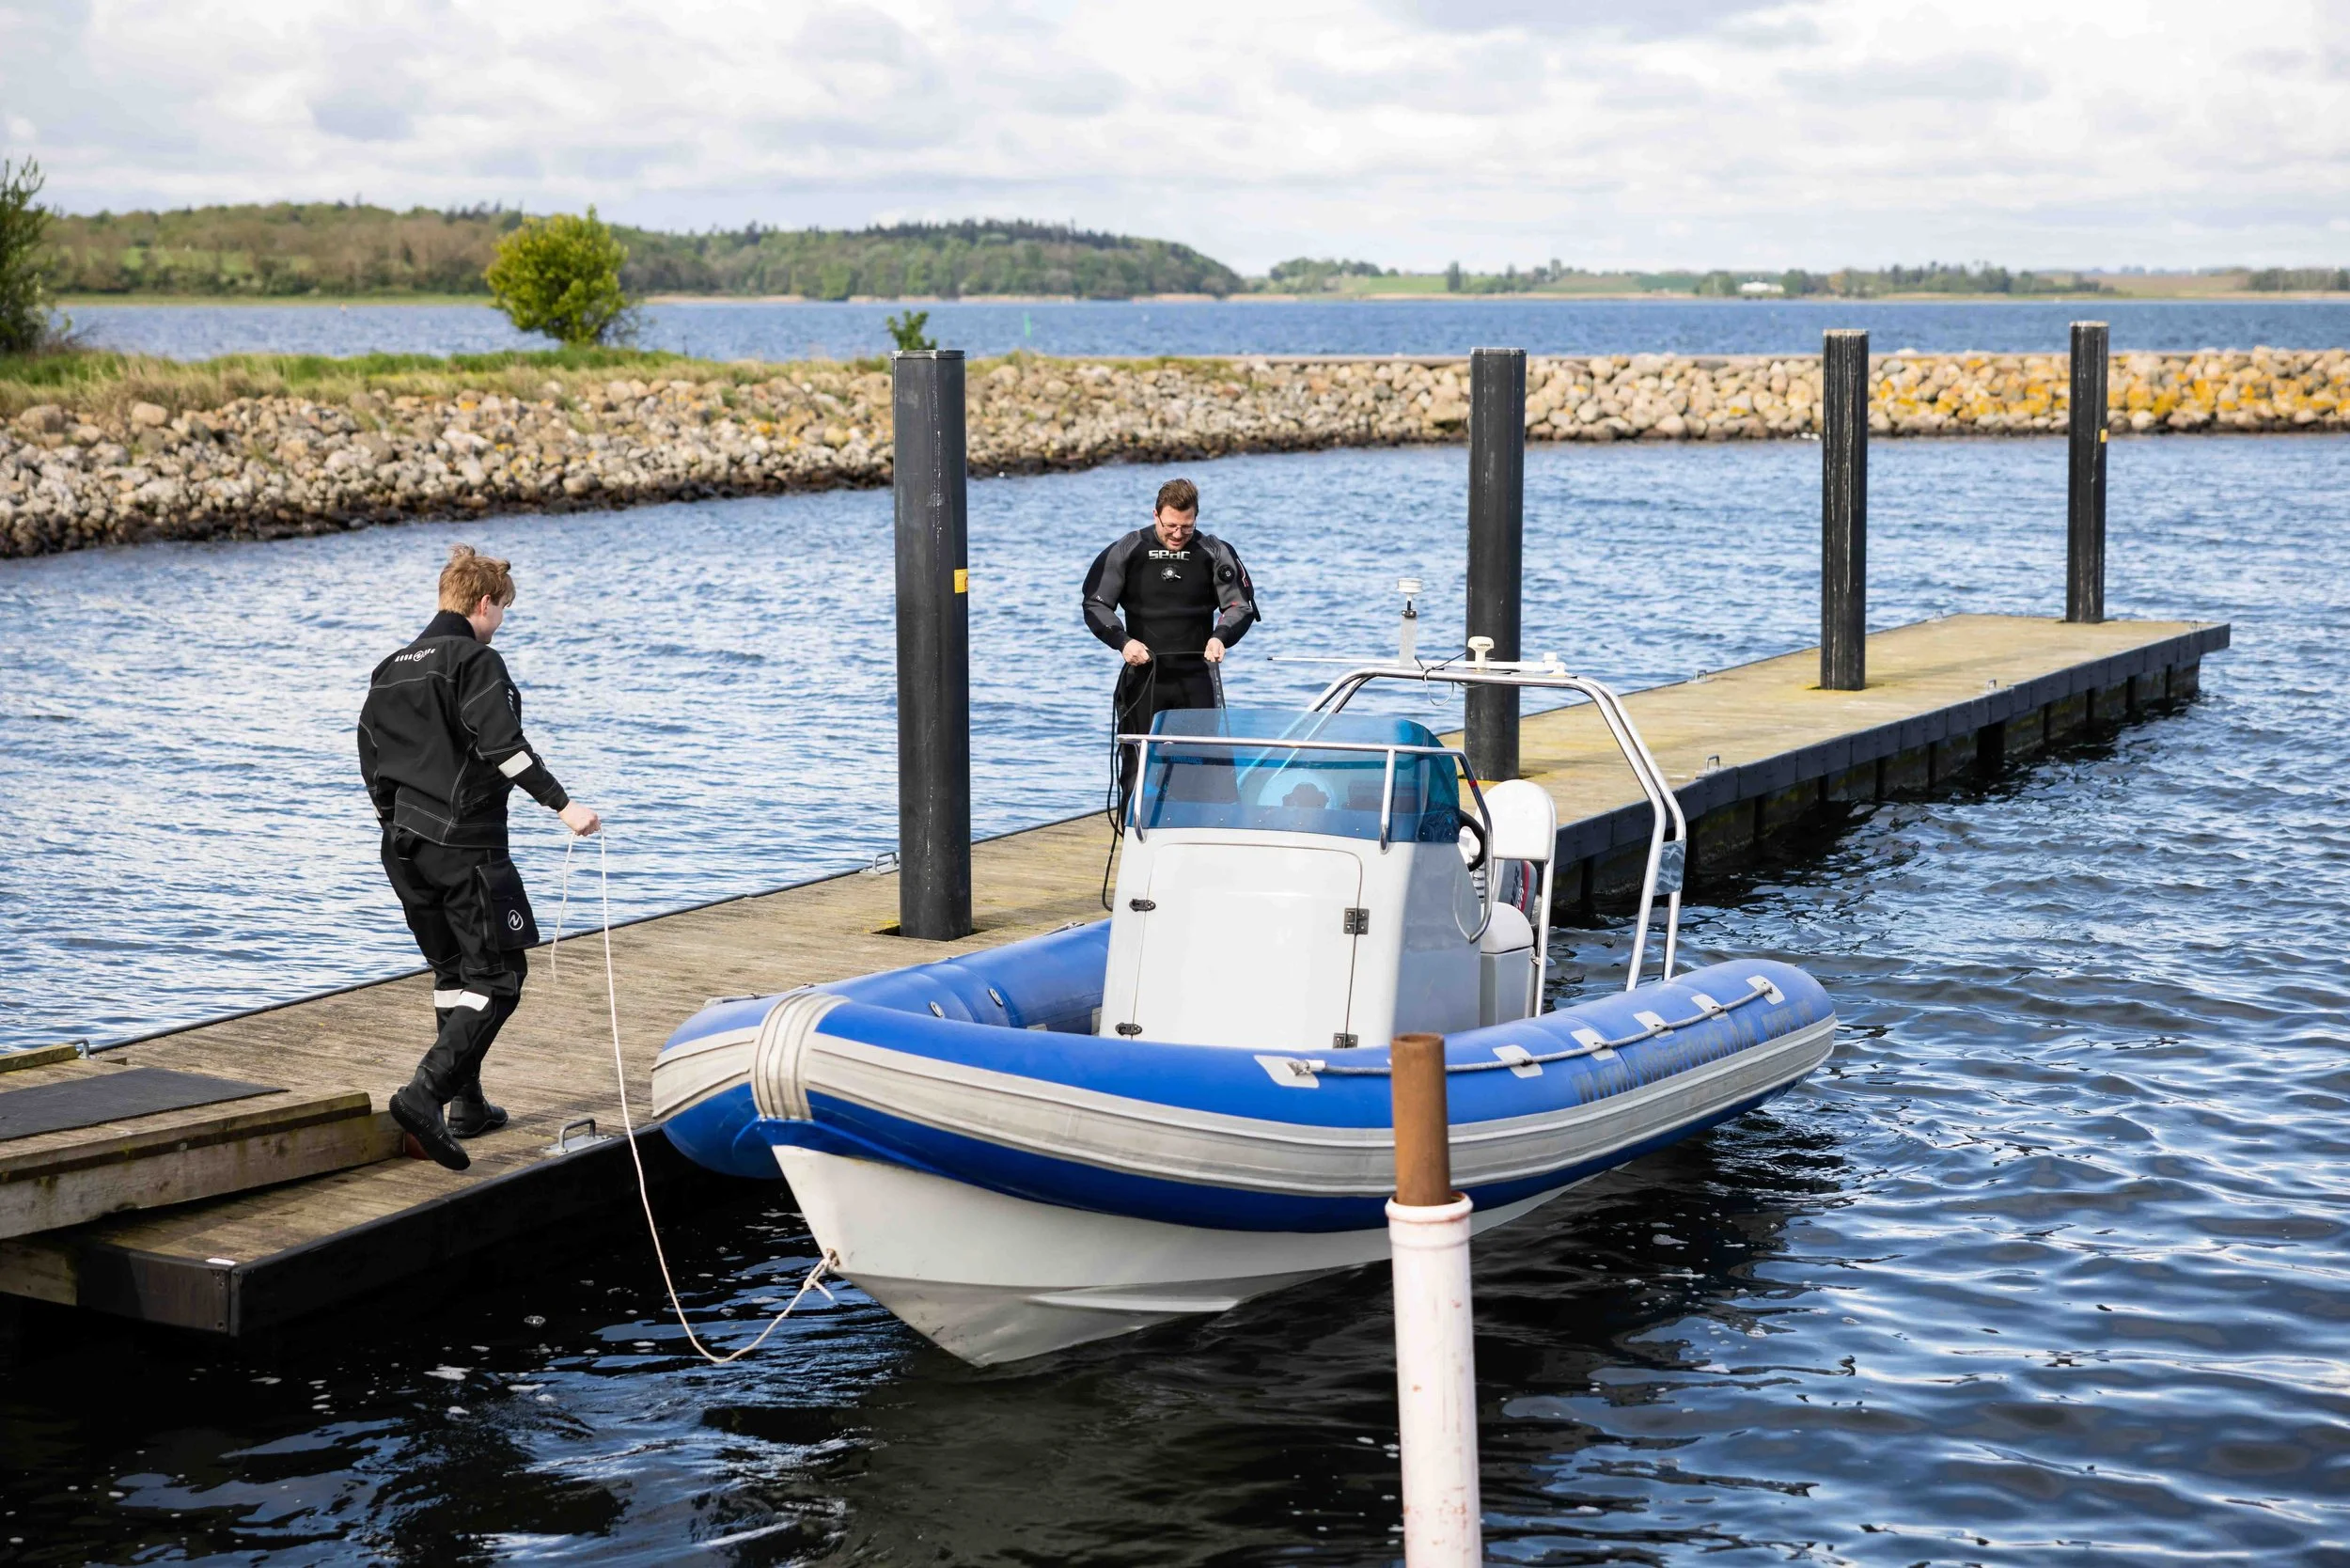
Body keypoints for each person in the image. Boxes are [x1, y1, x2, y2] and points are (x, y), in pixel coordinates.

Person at [357, 545, 600, 1171]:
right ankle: (424, 1095)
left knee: (452, 974)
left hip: (404, 847)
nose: (500, 622)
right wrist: (564, 805)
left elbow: (371, 762)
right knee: (498, 978)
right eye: (502, 610)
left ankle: (465, 1107)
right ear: (484, 603)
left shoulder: (389, 669)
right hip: (466, 843)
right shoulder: (474, 659)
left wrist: (397, 828)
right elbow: (505, 748)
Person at [1081, 477, 1261, 808]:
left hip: (1196, 678)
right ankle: (1135, 839)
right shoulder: (1128, 549)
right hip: (1145, 676)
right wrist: (1122, 642)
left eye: (1187, 527)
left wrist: (1221, 637)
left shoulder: (1214, 551)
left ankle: (1196, 842)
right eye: (1171, 526)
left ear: (1196, 519)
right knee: (1139, 767)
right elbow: (1095, 603)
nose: (1178, 535)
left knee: (1202, 766)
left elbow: (1240, 606)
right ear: (1155, 515)